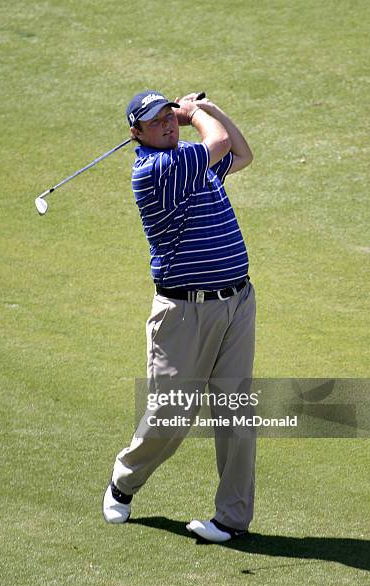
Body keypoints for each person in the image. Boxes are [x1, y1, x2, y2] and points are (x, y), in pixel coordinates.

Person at [103, 90, 256, 543]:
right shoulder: (155, 172)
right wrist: (196, 115)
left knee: (235, 413)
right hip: (183, 314)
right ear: (137, 134)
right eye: (157, 122)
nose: (168, 125)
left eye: (170, 117)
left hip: (236, 304)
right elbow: (222, 143)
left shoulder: (190, 158)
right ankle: (124, 481)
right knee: (171, 416)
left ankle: (232, 518)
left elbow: (241, 152)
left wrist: (209, 111)